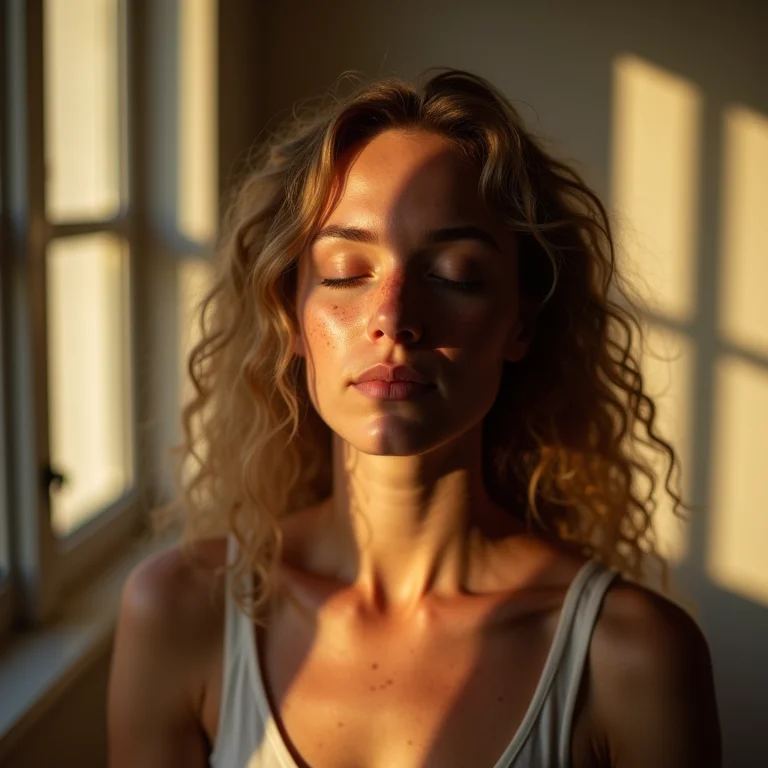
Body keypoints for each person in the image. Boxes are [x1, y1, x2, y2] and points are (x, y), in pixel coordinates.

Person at [107, 69, 721, 767]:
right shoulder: (183, 612)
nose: (394, 318)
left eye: (456, 273)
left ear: (520, 322)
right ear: (292, 318)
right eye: (344, 271)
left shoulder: (631, 659)